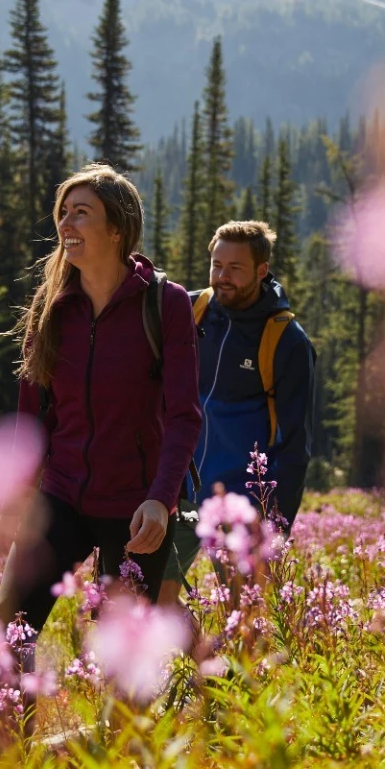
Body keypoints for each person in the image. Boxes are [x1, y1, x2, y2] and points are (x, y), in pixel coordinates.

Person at [0, 165, 202, 644]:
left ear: (117, 229)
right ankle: (11, 723)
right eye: (63, 213)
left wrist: (160, 499)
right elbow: (32, 415)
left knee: (129, 648)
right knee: (10, 627)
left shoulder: (165, 304)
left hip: (135, 506)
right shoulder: (51, 306)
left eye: (81, 213)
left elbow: (183, 416)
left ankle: (209, 688)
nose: (66, 224)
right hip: (60, 498)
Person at [159, 220, 315, 604]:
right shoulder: (189, 310)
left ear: (262, 271)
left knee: (245, 614)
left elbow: (296, 446)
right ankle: (201, 659)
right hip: (177, 491)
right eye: (216, 265)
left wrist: (277, 525)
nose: (221, 277)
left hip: (240, 504)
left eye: (235, 268)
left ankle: (234, 666)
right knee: (153, 600)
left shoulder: (287, 341)